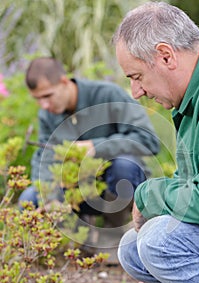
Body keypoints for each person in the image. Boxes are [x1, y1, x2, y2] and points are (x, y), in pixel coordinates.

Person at [113, 1, 199, 283]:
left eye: (137, 77)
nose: (136, 92)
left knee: (156, 241)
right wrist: (149, 277)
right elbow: (190, 184)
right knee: (134, 250)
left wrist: (146, 194)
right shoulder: (197, 92)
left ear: (166, 56)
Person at [19, 57, 159, 250]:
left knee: (124, 166)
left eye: (47, 96)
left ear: (64, 82)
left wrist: (97, 147)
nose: (44, 105)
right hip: (77, 191)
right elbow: (44, 157)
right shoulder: (47, 115)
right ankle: (79, 238)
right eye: (38, 99)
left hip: (119, 185)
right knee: (30, 198)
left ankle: (115, 235)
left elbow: (149, 140)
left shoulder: (107, 94)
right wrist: (50, 197)